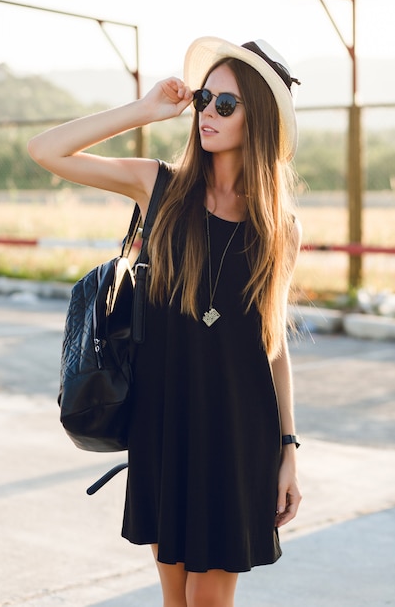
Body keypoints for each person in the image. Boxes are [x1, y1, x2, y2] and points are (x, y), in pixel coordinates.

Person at [28, 35, 303, 607]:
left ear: (260, 119)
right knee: (175, 599)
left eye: (225, 104)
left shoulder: (279, 227)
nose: (207, 112)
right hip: (166, 423)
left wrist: (288, 449)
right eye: (205, 98)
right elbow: (45, 150)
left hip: (236, 431)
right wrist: (146, 110)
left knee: (207, 600)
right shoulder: (162, 187)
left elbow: (272, 345)